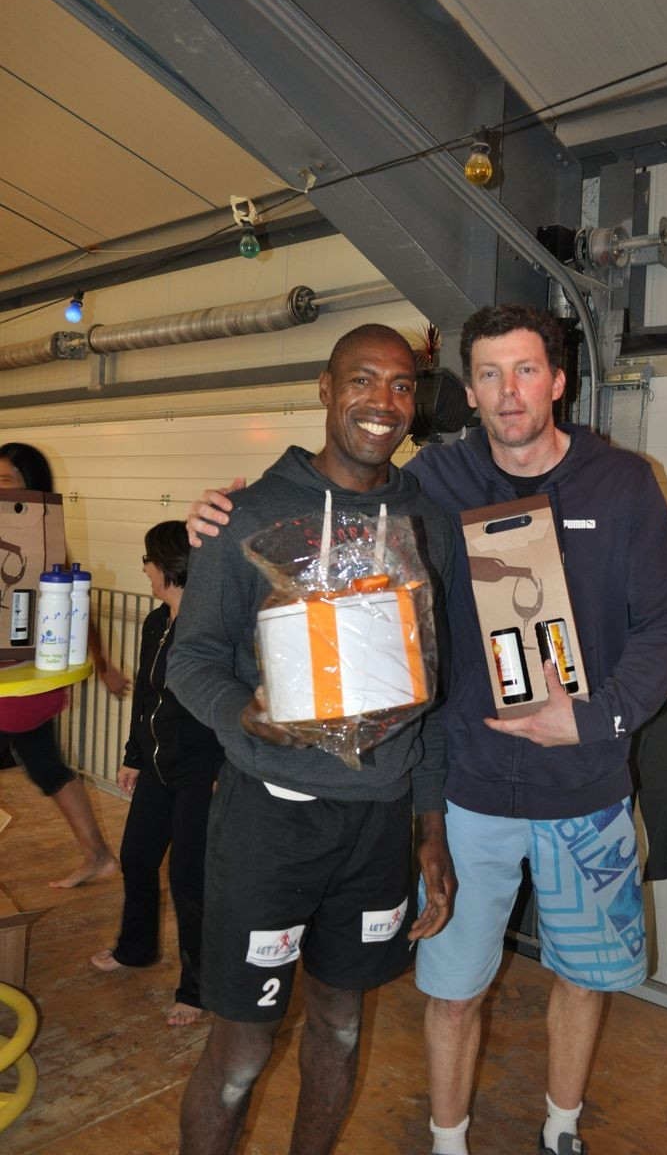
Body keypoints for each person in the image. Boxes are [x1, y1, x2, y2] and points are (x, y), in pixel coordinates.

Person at [187, 303, 667, 1155]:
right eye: (488, 374)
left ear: (558, 381)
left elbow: (664, 626)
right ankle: (447, 1140)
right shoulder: (435, 483)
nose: (508, 391)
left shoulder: (618, 484)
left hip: (574, 786)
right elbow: (325, 503)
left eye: (524, 370)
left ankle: (561, 1129)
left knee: (567, 981)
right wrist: (214, 519)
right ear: (468, 391)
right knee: (438, 993)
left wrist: (594, 717)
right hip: (457, 795)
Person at [168, 323, 456, 1155]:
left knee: (340, 1028)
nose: (381, 402)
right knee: (241, 1053)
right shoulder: (248, 514)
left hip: (377, 827)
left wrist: (430, 827)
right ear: (326, 389)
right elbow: (190, 659)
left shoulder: (425, 521)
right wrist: (244, 713)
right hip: (270, 823)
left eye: (400, 385)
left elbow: (435, 692)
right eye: (361, 379)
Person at [90, 521, 224, 1025]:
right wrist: (133, 755)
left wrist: (223, 769)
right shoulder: (154, 622)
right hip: (157, 767)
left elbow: (229, 705)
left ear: (169, 564)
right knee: (136, 858)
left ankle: (197, 988)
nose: (144, 568)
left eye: (148, 559)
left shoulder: (212, 629)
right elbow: (146, 699)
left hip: (200, 774)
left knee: (189, 881)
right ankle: (136, 948)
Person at [0, 440, 129, 889]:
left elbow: (76, 606)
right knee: (46, 766)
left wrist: (103, 663)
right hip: (19, 682)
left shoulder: (41, 538)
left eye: (6, 480)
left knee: (45, 765)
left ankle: (98, 855)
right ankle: (98, 856)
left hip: (20, 681)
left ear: (31, 487)